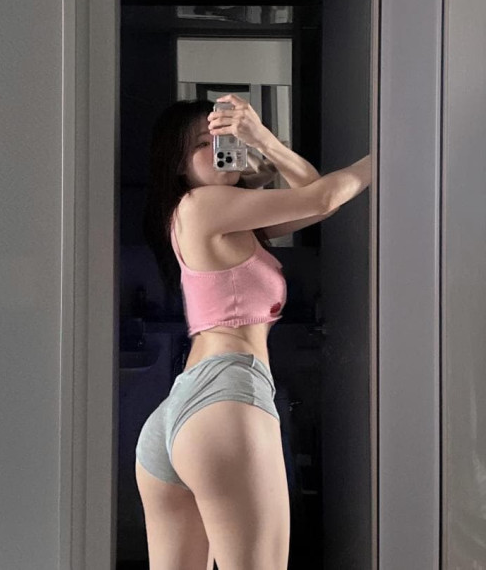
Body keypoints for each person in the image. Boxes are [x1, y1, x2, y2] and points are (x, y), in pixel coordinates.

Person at [136, 93, 372, 570]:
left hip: (181, 412)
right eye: (201, 144)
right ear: (178, 165)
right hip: (227, 398)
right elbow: (324, 195)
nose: (217, 148)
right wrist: (389, 150)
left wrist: (263, 148)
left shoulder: (218, 216)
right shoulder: (203, 204)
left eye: (221, 137)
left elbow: (316, 197)